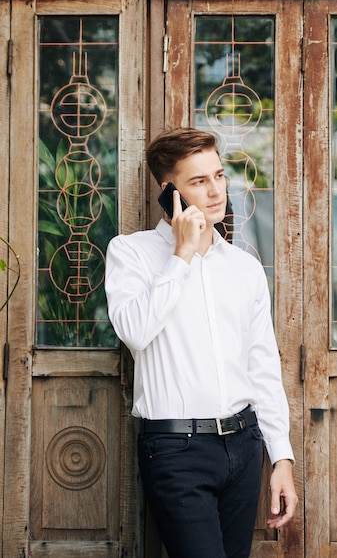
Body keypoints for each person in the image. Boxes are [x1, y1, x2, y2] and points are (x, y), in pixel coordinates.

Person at [105, 127, 297, 558]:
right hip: (176, 450)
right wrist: (182, 255)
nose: (215, 191)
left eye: (219, 176)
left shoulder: (244, 268)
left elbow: (262, 367)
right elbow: (134, 331)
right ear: (168, 191)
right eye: (198, 181)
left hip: (244, 447)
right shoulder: (130, 253)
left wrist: (281, 458)